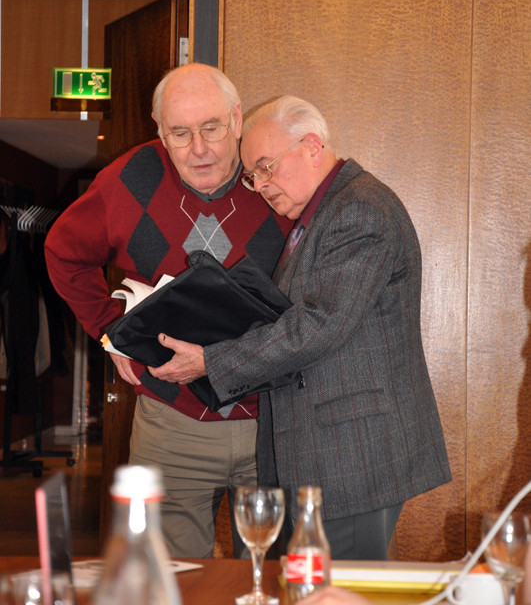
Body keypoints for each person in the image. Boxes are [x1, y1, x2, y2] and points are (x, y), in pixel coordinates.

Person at [149, 94, 452, 560]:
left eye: (266, 168)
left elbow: (319, 324)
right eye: (253, 176)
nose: (260, 186)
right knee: (313, 584)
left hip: (353, 455)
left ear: (311, 146)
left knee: (338, 586)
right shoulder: (325, 212)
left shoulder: (360, 210)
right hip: (327, 452)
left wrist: (211, 360)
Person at [44, 64, 291, 558]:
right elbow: (63, 252)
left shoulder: (274, 174)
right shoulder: (128, 179)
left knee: (274, 574)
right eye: (180, 133)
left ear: (237, 119)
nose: (199, 149)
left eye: (211, 128)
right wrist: (111, 331)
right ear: (160, 131)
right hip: (170, 421)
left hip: (276, 419)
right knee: (166, 575)